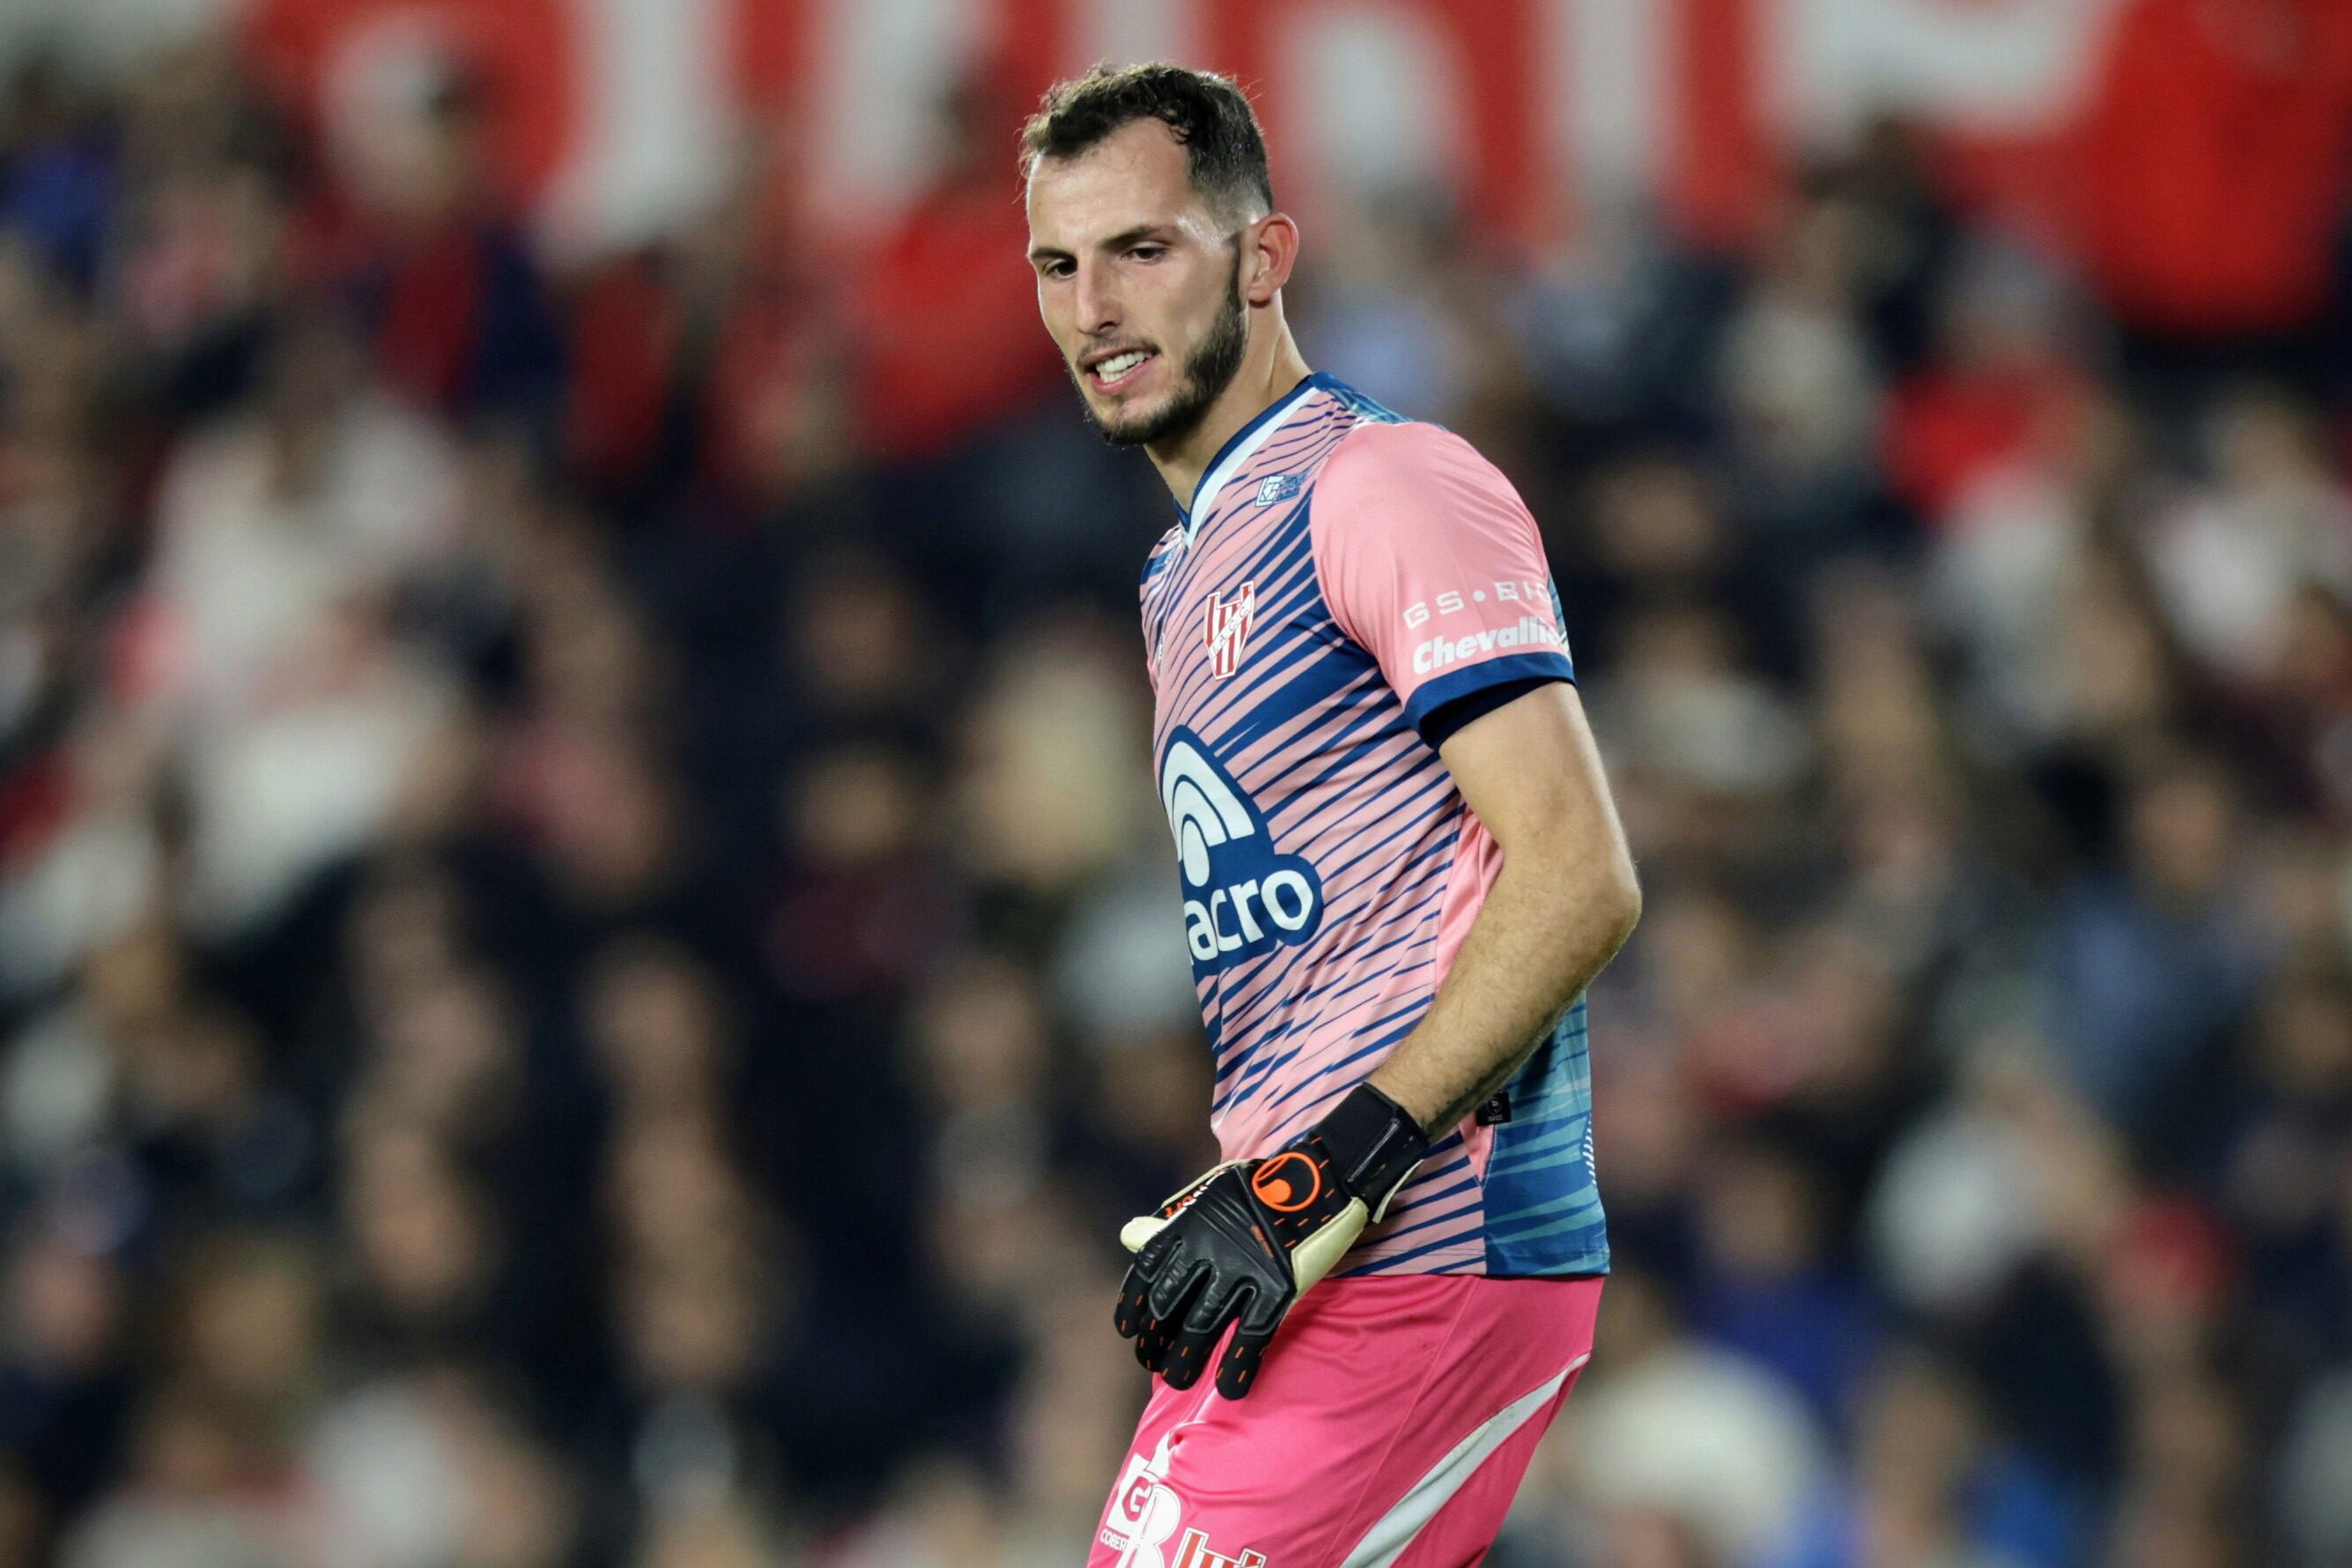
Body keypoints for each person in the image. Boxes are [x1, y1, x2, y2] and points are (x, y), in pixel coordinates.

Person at [1020, 63, 1643, 1567]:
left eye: (1142, 249)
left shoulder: (1382, 486)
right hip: (1299, 1254)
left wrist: (1326, 1165)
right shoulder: (1181, 575)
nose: (1094, 305)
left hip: (1422, 1247)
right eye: (1059, 264)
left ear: (1262, 256)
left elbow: (1577, 873)